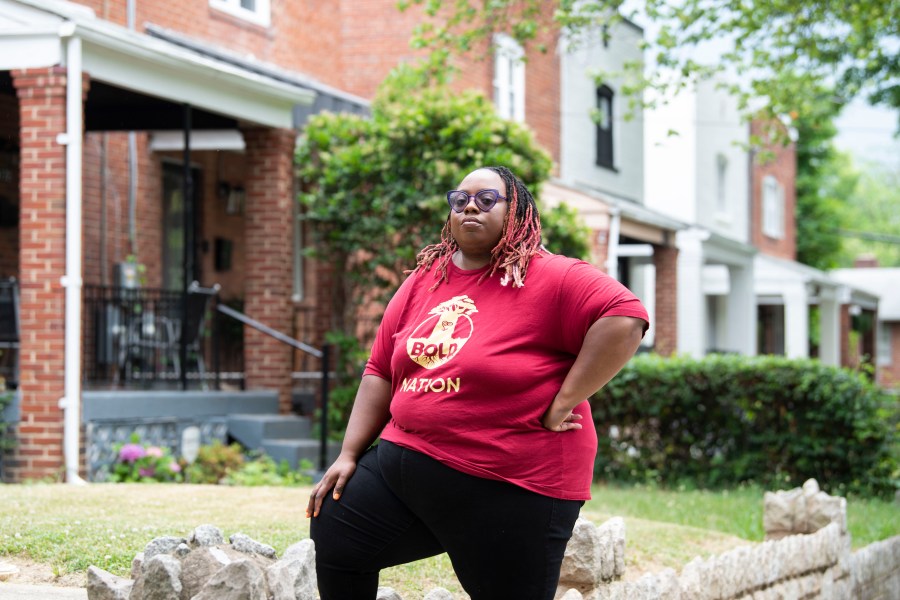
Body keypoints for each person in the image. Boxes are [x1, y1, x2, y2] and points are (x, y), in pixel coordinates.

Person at [307, 166, 649, 600]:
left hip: (511, 486)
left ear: (517, 211)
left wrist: (564, 402)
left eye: (487, 199)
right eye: (460, 199)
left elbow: (624, 318)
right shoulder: (425, 280)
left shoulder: (551, 275)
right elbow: (380, 370)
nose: (471, 205)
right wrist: (349, 454)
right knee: (340, 525)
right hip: (404, 473)